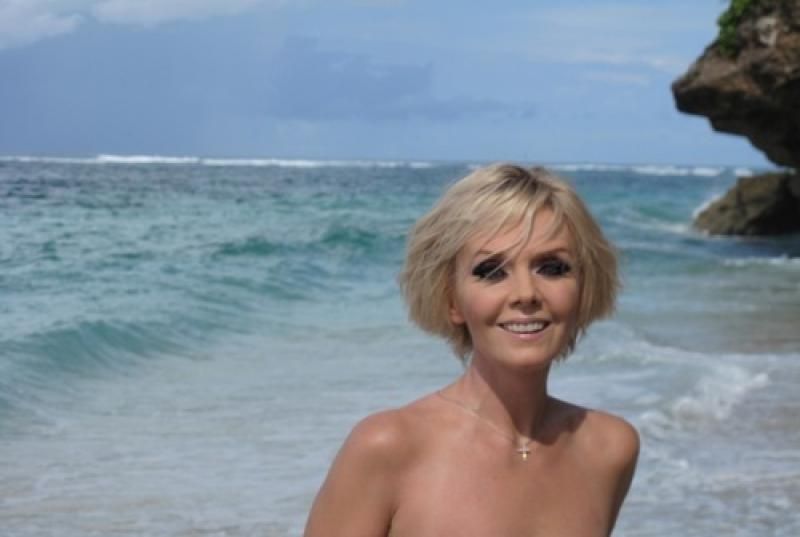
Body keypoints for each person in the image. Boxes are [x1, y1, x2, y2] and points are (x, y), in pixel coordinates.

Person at [304, 164, 639, 537]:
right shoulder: (387, 448)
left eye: (551, 267)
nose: (526, 293)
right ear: (452, 300)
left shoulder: (609, 449)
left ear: (584, 287)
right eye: (491, 271)